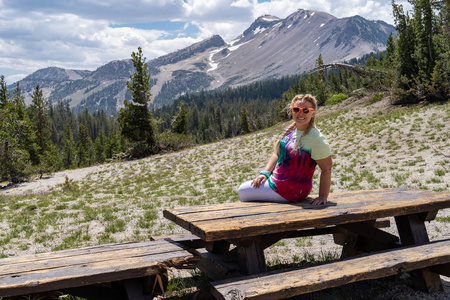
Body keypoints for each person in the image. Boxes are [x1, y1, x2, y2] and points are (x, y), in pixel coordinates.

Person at [238, 94, 332, 205]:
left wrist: (322, 196)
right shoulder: (291, 130)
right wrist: (265, 173)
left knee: (243, 190)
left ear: (313, 112)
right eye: (296, 109)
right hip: (277, 183)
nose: (300, 113)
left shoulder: (316, 139)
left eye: (305, 110)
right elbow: (276, 154)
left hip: (293, 190)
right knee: (247, 189)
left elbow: (327, 169)